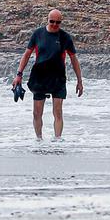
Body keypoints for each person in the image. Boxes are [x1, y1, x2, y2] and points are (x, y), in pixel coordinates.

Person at [12, 8, 83, 140]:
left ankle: (57, 140)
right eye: (52, 22)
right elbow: (27, 54)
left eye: (58, 22)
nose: (55, 24)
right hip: (40, 77)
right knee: (37, 113)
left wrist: (80, 81)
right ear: (47, 20)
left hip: (58, 77)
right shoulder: (38, 34)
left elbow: (74, 59)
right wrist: (19, 75)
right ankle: (39, 140)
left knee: (58, 112)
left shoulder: (65, 37)